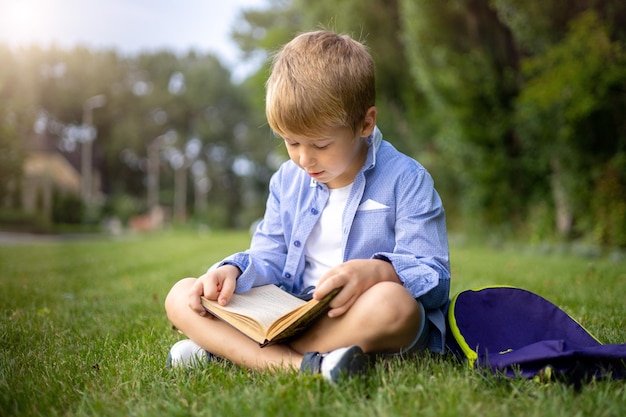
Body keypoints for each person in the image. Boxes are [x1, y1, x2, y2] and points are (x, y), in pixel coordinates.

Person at [164, 30, 450, 383]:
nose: (304, 158)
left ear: (365, 123)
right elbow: (268, 255)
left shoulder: (407, 178)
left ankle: (229, 351)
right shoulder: (287, 180)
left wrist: (380, 273)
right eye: (291, 142)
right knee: (181, 295)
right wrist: (233, 272)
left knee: (395, 305)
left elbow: (434, 276)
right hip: (290, 311)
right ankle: (303, 366)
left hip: (356, 317)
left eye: (320, 144)